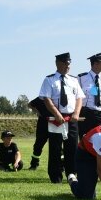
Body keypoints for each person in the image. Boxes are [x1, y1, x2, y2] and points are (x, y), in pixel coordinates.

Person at [38, 52, 84, 183]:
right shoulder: (49, 80)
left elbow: (79, 98)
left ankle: (72, 174)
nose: (67, 66)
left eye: (69, 63)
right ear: (58, 63)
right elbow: (46, 99)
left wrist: (76, 113)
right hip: (56, 118)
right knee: (55, 148)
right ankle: (55, 176)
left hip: (72, 118)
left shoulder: (74, 80)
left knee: (72, 147)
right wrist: (56, 114)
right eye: (65, 63)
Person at [77, 52, 101, 139]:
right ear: (95, 63)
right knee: (84, 139)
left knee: (100, 139)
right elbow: (76, 97)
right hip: (85, 113)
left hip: (100, 115)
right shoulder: (81, 78)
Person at [27, 97, 49, 171]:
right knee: (38, 145)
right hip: (42, 125)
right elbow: (29, 104)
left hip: (56, 124)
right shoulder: (41, 98)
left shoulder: (56, 96)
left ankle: (61, 166)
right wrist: (36, 111)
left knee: (57, 146)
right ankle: (34, 165)